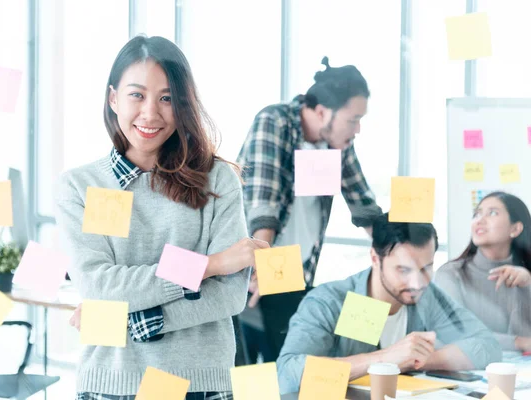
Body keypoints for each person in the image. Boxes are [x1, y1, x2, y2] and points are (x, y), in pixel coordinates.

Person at [56, 35, 269, 399]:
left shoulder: (217, 179)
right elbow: (97, 285)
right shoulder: (80, 185)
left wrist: (133, 318)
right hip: (111, 384)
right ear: (113, 99)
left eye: (167, 98)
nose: (151, 113)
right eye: (136, 95)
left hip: (199, 386)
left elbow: (230, 296)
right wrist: (210, 264)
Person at [236, 57, 383, 361]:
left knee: (296, 360)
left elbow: (363, 204)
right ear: (321, 111)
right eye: (353, 119)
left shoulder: (336, 141)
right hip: (258, 266)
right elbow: (264, 204)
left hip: (294, 269)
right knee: (264, 370)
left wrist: (395, 247)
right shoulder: (274, 121)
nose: (357, 129)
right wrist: (261, 264)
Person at [277, 213, 501, 394]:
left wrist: (417, 359)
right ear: (375, 258)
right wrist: (384, 360)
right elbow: (288, 373)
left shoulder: (426, 295)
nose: (416, 282)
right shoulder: (330, 300)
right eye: (403, 270)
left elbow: (487, 346)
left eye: (426, 268)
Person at [435, 192, 531, 352]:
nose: (480, 220)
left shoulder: (525, 276)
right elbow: (456, 333)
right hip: (473, 371)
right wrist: (520, 342)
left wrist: (528, 284)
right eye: (476, 214)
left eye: (492, 213)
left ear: (515, 228)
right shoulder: (451, 274)